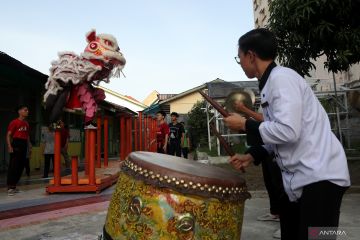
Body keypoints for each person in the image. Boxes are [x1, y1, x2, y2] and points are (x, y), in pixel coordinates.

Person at [223, 28, 350, 240]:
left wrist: (246, 124)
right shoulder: (270, 84)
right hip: (301, 180)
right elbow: (277, 133)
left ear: (251, 55)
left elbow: (288, 131)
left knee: (318, 237)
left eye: (240, 57)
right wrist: (252, 155)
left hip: (321, 177)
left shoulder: (282, 79)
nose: (241, 63)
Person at [234, 101, 283, 238]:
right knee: (273, 183)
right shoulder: (271, 94)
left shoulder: (285, 90)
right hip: (275, 151)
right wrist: (250, 156)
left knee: (321, 231)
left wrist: (245, 121)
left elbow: (285, 130)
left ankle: (290, 226)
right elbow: (275, 137)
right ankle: (279, 216)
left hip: (319, 175)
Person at [6, 105, 32, 196]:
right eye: (25, 110)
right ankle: (10, 187)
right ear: (19, 111)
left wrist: (29, 146)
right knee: (14, 166)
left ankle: (14, 186)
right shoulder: (14, 122)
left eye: (27, 110)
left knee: (21, 166)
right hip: (16, 144)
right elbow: (8, 135)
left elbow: (27, 136)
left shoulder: (27, 123)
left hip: (24, 144)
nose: (27, 111)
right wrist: (9, 146)